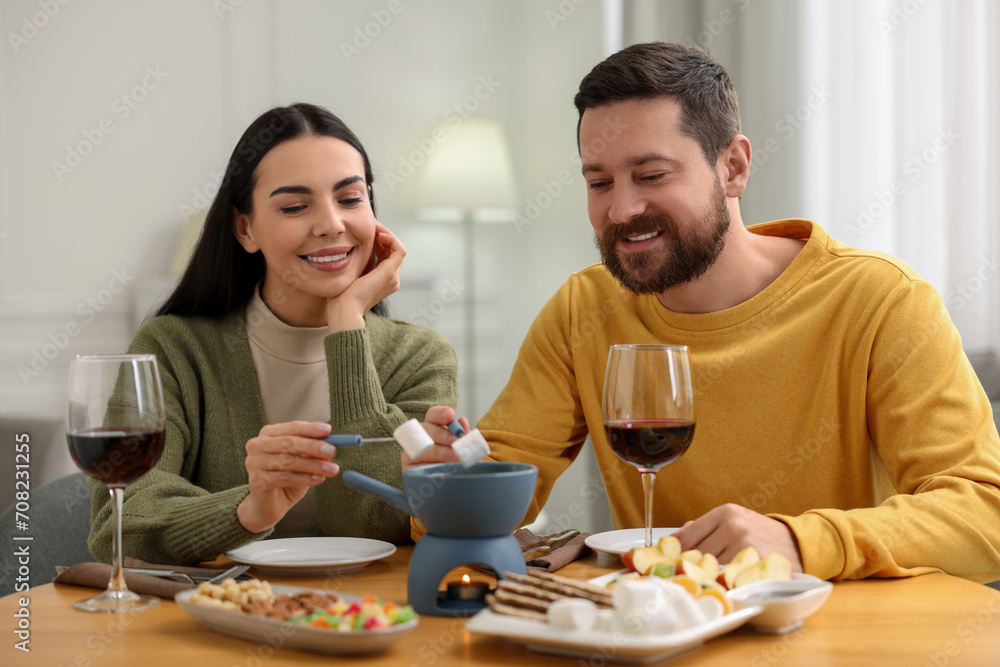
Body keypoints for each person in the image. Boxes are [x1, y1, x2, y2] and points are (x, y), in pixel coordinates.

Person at [414, 42, 1000, 583]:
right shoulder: (582, 310)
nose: (621, 209)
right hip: (661, 633)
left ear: (734, 168)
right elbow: (487, 497)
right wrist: (448, 480)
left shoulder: (880, 301)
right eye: (599, 182)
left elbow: (983, 515)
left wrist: (800, 541)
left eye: (651, 175)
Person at [88, 103, 459, 565]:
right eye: (295, 206)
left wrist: (346, 320)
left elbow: (369, 519)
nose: (331, 224)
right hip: (209, 621)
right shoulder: (171, 349)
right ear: (245, 228)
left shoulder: (421, 357)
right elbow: (121, 523)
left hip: (372, 616)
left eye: (350, 198)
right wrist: (248, 510)